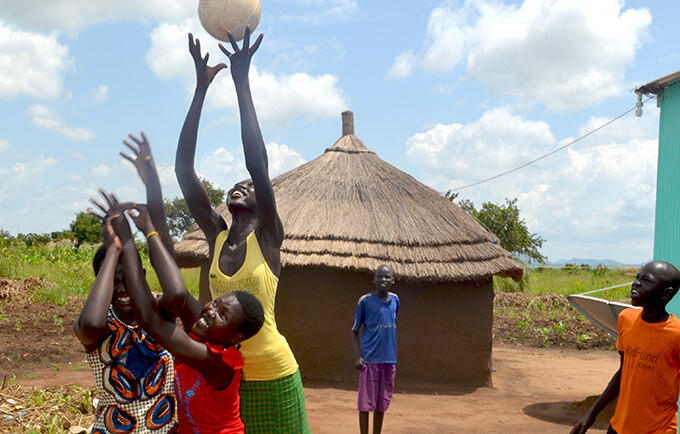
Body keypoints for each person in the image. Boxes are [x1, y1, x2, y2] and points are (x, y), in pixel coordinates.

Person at [174, 27, 310, 432]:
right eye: (236, 184)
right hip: (225, 372)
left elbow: (257, 166)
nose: (241, 184)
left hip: (273, 373)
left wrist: (240, 80)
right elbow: (183, 171)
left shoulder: (269, 236)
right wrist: (200, 90)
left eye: (249, 187)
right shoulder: (216, 236)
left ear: (261, 200)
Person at [93, 189, 265, 433]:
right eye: (215, 303)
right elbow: (177, 290)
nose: (210, 311)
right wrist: (150, 227)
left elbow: (153, 322)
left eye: (223, 315)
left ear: (235, 337)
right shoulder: (206, 329)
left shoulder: (219, 363)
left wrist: (128, 242)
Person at [74, 133, 179, 434]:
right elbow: (91, 324)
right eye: (113, 280)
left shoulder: (159, 312)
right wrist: (115, 250)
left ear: (143, 278)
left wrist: (152, 184)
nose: (122, 289)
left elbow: (170, 266)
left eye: (128, 279)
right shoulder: (98, 323)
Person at [571, 260, 680, 434]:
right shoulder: (626, 319)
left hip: (658, 430)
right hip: (618, 427)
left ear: (666, 294)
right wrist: (590, 415)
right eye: (637, 277)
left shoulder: (676, 334)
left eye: (646, 280)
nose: (636, 283)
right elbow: (624, 372)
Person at [352, 264, 399, 434]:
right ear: (374, 279)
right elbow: (354, 331)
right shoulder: (365, 301)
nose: (383, 280)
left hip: (388, 360)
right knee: (365, 404)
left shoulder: (395, 300)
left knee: (381, 404)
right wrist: (358, 356)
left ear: (393, 280)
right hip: (370, 361)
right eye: (380, 276)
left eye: (387, 277)